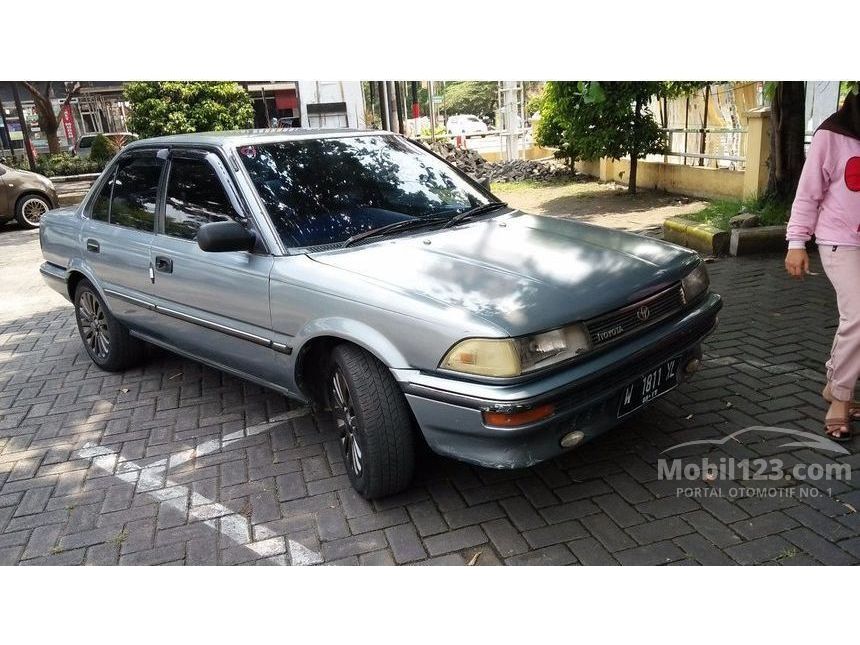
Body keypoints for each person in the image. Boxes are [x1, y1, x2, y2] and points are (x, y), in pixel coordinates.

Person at [785, 91, 860, 442]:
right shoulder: (832, 135)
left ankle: (834, 384)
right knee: (858, 317)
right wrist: (797, 242)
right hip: (839, 242)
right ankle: (841, 399)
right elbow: (808, 192)